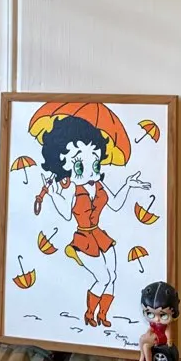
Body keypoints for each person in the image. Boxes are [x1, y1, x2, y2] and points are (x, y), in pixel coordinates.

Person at [38, 115, 149, 328]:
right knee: (103, 277)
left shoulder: (99, 185)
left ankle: (103, 315)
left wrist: (127, 185)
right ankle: (90, 313)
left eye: (95, 163)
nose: (91, 170)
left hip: (99, 234)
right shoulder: (71, 190)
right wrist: (52, 195)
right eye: (80, 165)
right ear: (64, 166)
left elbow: (115, 204)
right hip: (83, 238)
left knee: (112, 276)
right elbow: (66, 214)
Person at [138, 281, 180, 361]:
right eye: (150, 314)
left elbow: (168, 331)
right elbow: (151, 328)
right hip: (154, 335)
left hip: (161, 338)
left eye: (163, 316)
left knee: (146, 346)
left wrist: (169, 340)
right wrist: (148, 332)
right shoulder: (154, 323)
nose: (157, 319)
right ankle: (142, 355)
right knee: (142, 339)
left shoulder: (166, 325)